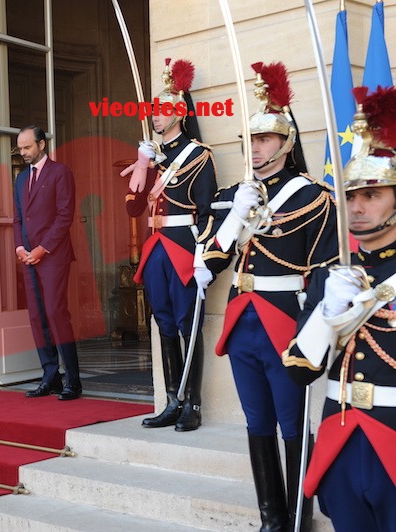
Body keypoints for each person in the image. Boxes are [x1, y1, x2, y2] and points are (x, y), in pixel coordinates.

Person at [197, 62, 338, 531]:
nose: (254, 149)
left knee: (292, 423)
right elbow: (208, 268)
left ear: (286, 143)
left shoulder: (313, 199)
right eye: (250, 141)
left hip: (284, 320)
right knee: (257, 422)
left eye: (264, 140)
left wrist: (310, 336)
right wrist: (234, 219)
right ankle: (271, 518)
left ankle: (299, 519)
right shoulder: (241, 194)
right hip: (243, 323)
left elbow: (324, 273)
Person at [283, 85, 396, 532]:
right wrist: (330, 313)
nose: (357, 207)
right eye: (350, 197)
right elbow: (298, 369)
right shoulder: (335, 272)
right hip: (341, 435)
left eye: (372, 195)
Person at [124, 58, 217, 431]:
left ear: (179, 114)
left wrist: (205, 256)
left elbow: (210, 211)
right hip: (155, 247)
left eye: (162, 112)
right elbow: (133, 207)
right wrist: (143, 164)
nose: (155, 118)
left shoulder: (198, 156)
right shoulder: (153, 157)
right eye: (153, 112)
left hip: (183, 248)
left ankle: (192, 404)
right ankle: (171, 400)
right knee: (162, 322)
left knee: (186, 325)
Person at [12, 126, 82, 401]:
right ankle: (50, 376)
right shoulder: (20, 179)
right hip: (28, 257)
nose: (23, 153)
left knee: (56, 313)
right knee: (37, 316)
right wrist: (20, 247)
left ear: (41, 144)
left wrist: (42, 248)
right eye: (20, 148)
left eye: (28, 147)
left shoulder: (60, 172)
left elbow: (65, 216)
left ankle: (73, 381)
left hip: (53, 255)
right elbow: (18, 218)